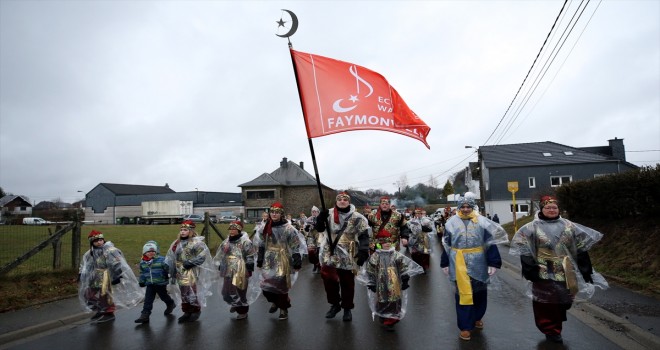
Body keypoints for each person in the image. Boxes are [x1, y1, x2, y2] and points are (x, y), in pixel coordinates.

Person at [509, 196, 608, 344]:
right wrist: (530, 269)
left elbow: (580, 248)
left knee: (565, 300)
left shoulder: (569, 226)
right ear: (541, 209)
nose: (551, 210)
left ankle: (556, 320)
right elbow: (524, 249)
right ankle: (551, 330)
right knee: (546, 302)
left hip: (566, 270)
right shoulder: (530, 228)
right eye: (548, 207)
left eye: (554, 207)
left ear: (559, 210)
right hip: (542, 270)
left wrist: (585, 269)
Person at [440, 197, 508, 341]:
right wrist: (444, 262)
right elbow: (446, 244)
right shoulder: (451, 222)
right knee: (462, 293)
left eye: (468, 207)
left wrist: (493, 262)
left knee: (479, 292)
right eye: (462, 207)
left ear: (472, 207)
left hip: (479, 261)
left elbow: (490, 243)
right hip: (457, 261)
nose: (465, 209)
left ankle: (477, 316)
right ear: (459, 208)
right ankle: (465, 326)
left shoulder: (482, 221)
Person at [315, 192, 370, 322]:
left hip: (348, 253)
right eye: (339, 199)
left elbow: (364, 234)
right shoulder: (328, 213)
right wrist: (320, 219)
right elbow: (319, 228)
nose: (342, 201)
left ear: (349, 202)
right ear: (336, 201)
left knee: (347, 282)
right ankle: (335, 305)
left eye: (345, 199)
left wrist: (363, 251)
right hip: (330, 251)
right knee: (329, 280)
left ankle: (347, 308)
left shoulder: (358, 217)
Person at [358, 229, 424, 331]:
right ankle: (384, 317)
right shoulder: (375, 256)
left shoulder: (396, 255)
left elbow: (403, 267)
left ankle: (391, 320)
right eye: (384, 243)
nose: (387, 244)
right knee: (382, 299)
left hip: (394, 282)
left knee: (394, 299)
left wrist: (405, 279)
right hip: (381, 282)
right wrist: (371, 283)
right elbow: (370, 270)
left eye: (389, 242)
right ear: (380, 244)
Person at [254, 202, 307, 320]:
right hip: (268, 258)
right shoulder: (264, 227)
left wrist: (297, 259)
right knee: (266, 285)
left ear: (281, 214)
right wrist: (260, 259)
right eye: (272, 212)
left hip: (283, 258)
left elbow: (295, 245)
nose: (273, 214)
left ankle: (283, 309)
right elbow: (261, 244)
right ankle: (275, 301)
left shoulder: (289, 228)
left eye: (276, 212)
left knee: (281, 285)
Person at [78, 230, 141, 323]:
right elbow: (86, 264)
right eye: (96, 241)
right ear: (92, 242)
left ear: (103, 240)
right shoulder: (90, 253)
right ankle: (100, 309)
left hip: (106, 276)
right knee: (88, 294)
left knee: (105, 295)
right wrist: (81, 273)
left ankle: (109, 313)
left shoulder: (110, 250)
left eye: (100, 240)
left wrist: (117, 275)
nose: (99, 242)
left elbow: (117, 262)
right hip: (94, 276)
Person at [166, 220, 215, 323]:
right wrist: (170, 270)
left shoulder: (196, 243)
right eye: (181, 230)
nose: (182, 232)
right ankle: (186, 311)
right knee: (183, 292)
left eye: (185, 230)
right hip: (179, 271)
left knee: (191, 292)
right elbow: (171, 257)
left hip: (191, 271)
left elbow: (202, 256)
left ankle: (195, 310)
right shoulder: (176, 243)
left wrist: (190, 263)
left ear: (191, 231)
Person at [214, 221, 259, 320]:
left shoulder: (245, 242)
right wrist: (221, 264)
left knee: (240, 292)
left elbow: (250, 255)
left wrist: (249, 266)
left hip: (241, 269)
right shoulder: (226, 242)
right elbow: (222, 254)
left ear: (239, 230)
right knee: (225, 293)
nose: (232, 231)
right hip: (228, 269)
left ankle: (242, 311)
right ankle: (235, 303)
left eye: (234, 229)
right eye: (230, 229)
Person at [135, 240, 176, 323]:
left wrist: (169, 274)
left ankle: (170, 303)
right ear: (144, 252)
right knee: (148, 299)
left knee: (163, 296)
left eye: (153, 251)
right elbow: (143, 272)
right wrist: (142, 281)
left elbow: (169, 268)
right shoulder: (143, 262)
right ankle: (145, 315)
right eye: (149, 251)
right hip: (150, 284)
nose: (151, 253)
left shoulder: (162, 260)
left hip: (160, 283)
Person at [303, 206, 321, 274]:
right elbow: (305, 228)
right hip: (311, 236)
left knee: (319, 252)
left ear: (318, 212)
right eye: (312, 211)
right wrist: (307, 228)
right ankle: (315, 264)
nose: (314, 213)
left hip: (319, 236)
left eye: (315, 211)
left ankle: (319, 266)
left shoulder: (320, 219)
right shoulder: (309, 219)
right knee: (311, 252)